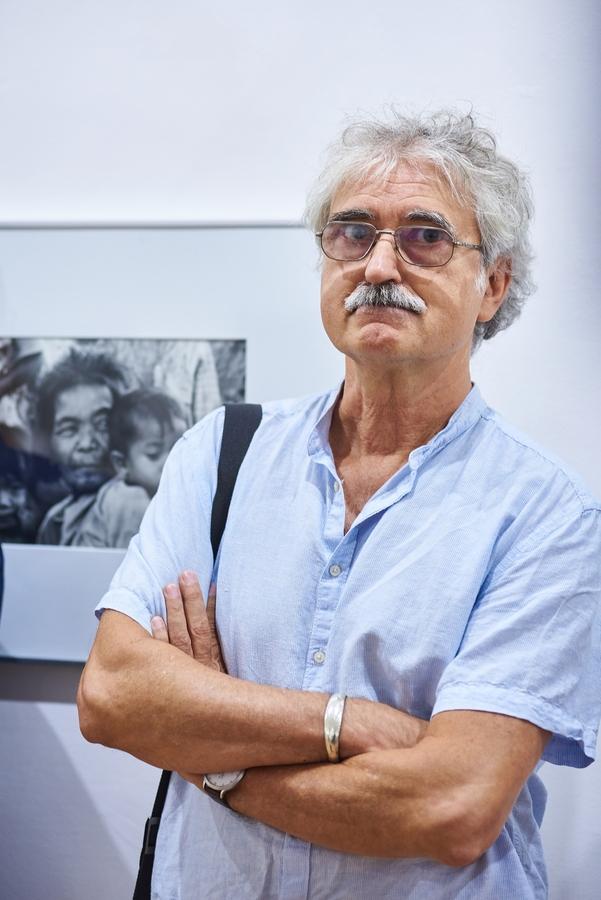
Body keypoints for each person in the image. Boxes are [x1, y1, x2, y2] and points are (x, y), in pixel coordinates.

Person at [78, 109, 600, 899]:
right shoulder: (222, 453)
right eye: (352, 233)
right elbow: (112, 696)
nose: (378, 264)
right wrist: (345, 721)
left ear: (491, 285)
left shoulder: (543, 514)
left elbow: (450, 808)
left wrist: (212, 756)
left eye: (424, 237)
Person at [35, 349, 125, 545]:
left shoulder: (127, 503)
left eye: (102, 424)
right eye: (69, 429)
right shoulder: (54, 521)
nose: (86, 443)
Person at [79, 389, 186, 548]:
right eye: (154, 454)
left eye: (180, 450)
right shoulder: (128, 500)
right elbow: (130, 560)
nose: (172, 461)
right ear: (122, 464)